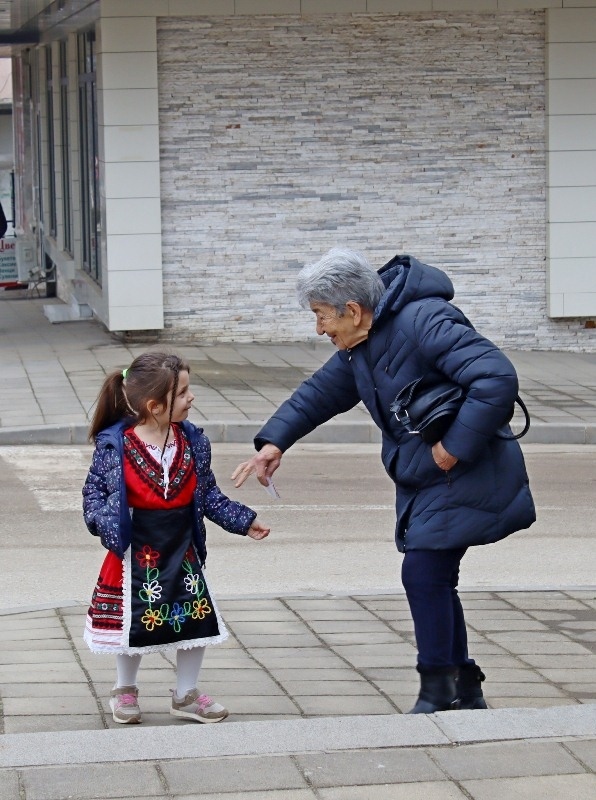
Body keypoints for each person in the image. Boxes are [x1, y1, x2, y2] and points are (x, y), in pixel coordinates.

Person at [232, 248, 535, 714]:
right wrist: (275, 442)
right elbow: (319, 393)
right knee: (434, 576)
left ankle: (437, 690)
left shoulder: (424, 320)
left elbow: (495, 377)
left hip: (465, 469)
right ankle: (463, 687)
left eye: (320, 316)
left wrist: (454, 446)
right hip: (427, 473)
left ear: (351, 310)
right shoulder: (361, 343)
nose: (318, 329)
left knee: (424, 573)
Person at [82, 351, 270, 725]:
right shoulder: (115, 446)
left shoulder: (194, 441)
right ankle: (125, 690)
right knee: (130, 622)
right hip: (137, 551)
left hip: (182, 549)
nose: (191, 398)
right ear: (155, 405)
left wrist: (243, 521)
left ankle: (186, 694)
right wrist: (108, 523)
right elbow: (93, 495)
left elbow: (209, 495)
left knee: (195, 619)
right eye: (183, 393)